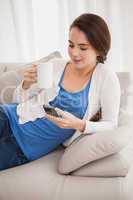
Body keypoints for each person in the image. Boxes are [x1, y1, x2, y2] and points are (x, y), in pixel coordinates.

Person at [0, 13, 120, 171]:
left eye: (82, 47)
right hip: (8, 117)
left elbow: (111, 124)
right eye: (71, 45)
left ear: (99, 49)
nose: (74, 53)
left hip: (23, 147)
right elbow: (18, 100)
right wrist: (26, 84)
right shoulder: (55, 65)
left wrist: (80, 124)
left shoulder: (106, 78)